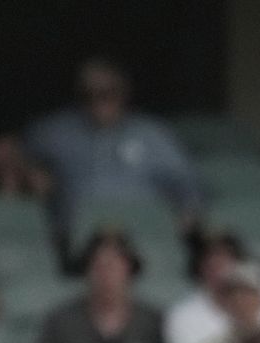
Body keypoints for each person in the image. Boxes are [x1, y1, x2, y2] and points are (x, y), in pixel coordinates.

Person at [26, 58, 199, 229]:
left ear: (124, 92)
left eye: (107, 93)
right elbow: (9, 150)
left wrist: (188, 212)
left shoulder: (152, 134)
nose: (98, 101)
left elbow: (187, 182)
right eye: (89, 94)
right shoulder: (56, 132)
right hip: (78, 240)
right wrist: (30, 172)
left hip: (141, 238)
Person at [33, 229, 168, 343]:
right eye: (98, 266)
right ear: (86, 272)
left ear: (129, 270)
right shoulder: (60, 321)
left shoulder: (154, 321)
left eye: (113, 266)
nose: (106, 275)